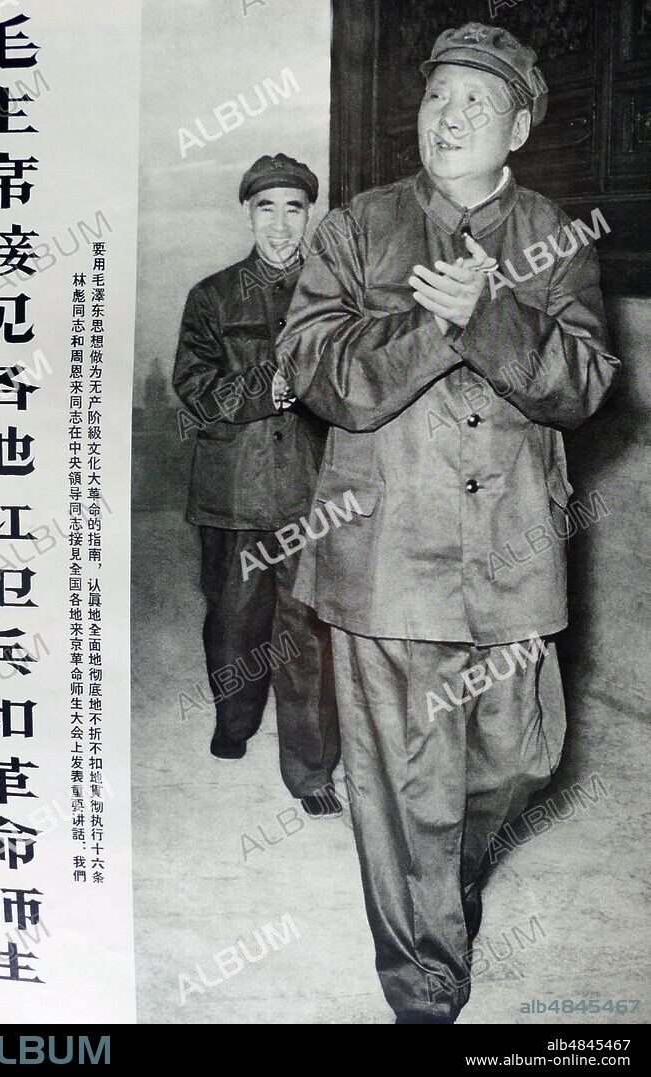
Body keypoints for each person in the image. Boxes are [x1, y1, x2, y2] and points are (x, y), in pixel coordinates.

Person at [278, 23, 620, 1020]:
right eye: (437, 97)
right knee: (401, 784)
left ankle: (439, 879)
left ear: (518, 129)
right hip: (384, 556)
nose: (451, 116)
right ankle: (425, 982)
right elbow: (316, 371)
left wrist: (491, 315)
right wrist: (436, 322)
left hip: (514, 555)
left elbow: (585, 384)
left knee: (521, 760)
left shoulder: (556, 235)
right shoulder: (356, 228)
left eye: (478, 101)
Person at [173, 153, 341, 818]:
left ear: (309, 214)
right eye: (266, 208)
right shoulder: (211, 296)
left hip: (310, 490)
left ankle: (312, 770)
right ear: (248, 213)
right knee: (233, 622)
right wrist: (263, 390)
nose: (279, 224)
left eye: (293, 208)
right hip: (233, 493)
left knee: (309, 634)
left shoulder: (334, 294)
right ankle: (234, 720)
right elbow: (193, 385)